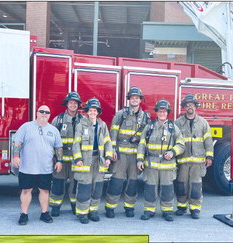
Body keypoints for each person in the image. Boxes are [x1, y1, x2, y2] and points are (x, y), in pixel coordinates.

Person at [13, 105, 63, 225]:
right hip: (28, 167)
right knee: (26, 190)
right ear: (37, 113)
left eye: (47, 112)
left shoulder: (53, 130)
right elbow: (17, 142)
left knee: (45, 191)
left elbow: (58, 147)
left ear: (50, 115)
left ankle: (44, 213)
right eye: (42, 111)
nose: (44, 114)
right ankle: (24, 214)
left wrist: (59, 161)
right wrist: (15, 157)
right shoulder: (26, 127)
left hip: (45, 168)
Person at [105, 86, 150, 218]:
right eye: (132, 98)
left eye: (137, 98)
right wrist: (112, 149)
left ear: (140, 100)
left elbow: (147, 138)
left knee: (133, 182)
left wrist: (143, 157)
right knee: (116, 182)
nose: (134, 100)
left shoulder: (145, 117)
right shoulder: (121, 114)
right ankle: (110, 207)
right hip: (120, 155)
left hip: (135, 155)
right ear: (129, 99)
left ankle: (129, 208)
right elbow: (113, 133)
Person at [137, 99, 185, 222]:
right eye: (160, 111)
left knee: (167, 190)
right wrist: (139, 160)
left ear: (167, 113)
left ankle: (167, 211)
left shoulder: (173, 127)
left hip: (167, 166)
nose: (162, 113)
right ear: (156, 112)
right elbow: (142, 144)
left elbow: (181, 144)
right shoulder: (149, 126)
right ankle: (149, 210)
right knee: (150, 189)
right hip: (151, 165)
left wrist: (172, 152)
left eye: (164, 111)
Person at [72, 97, 113, 224]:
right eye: (90, 110)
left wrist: (108, 157)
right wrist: (78, 158)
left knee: (97, 187)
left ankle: (93, 211)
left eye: (95, 110)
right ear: (86, 111)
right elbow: (76, 143)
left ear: (98, 112)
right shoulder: (81, 124)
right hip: (85, 160)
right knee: (85, 187)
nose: (92, 113)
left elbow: (108, 142)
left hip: (99, 160)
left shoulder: (102, 125)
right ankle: (82, 213)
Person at [174, 94, 213, 219]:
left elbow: (208, 141)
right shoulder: (178, 123)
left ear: (196, 107)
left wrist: (209, 157)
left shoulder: (203, 123)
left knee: (196, 186)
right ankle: (181, 207)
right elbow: (173, 141)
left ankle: (195, 209)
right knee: (181, 185)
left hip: (198, 161)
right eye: (187, 105)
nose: (190, 107)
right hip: (182, 161)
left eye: (192, 105)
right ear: (184, 107)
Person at [49, 91, 83, 217]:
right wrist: (55, 158)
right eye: (71, 102)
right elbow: (51, 140)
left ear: (78, 105)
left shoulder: (83, 120)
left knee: (75, 185)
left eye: (75, 103)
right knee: (58, 184)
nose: (73, 105)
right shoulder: (58, 120)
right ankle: (55, 206)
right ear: (67, 104)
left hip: (76, 159)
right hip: (61, 159)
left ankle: (75, 206)